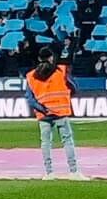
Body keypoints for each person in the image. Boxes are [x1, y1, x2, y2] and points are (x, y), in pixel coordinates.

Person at [23, 49, 86, 180]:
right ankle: (74, 172)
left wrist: (42, 109)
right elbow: (74, 87)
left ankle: (49, 173)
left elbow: (30, 98)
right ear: (51, 58)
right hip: (61, 112)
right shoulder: (60, 71)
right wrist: (65, 96)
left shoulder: (30, 75)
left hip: (44, 115)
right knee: (67, 142)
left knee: (46, 143)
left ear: (39, 59)